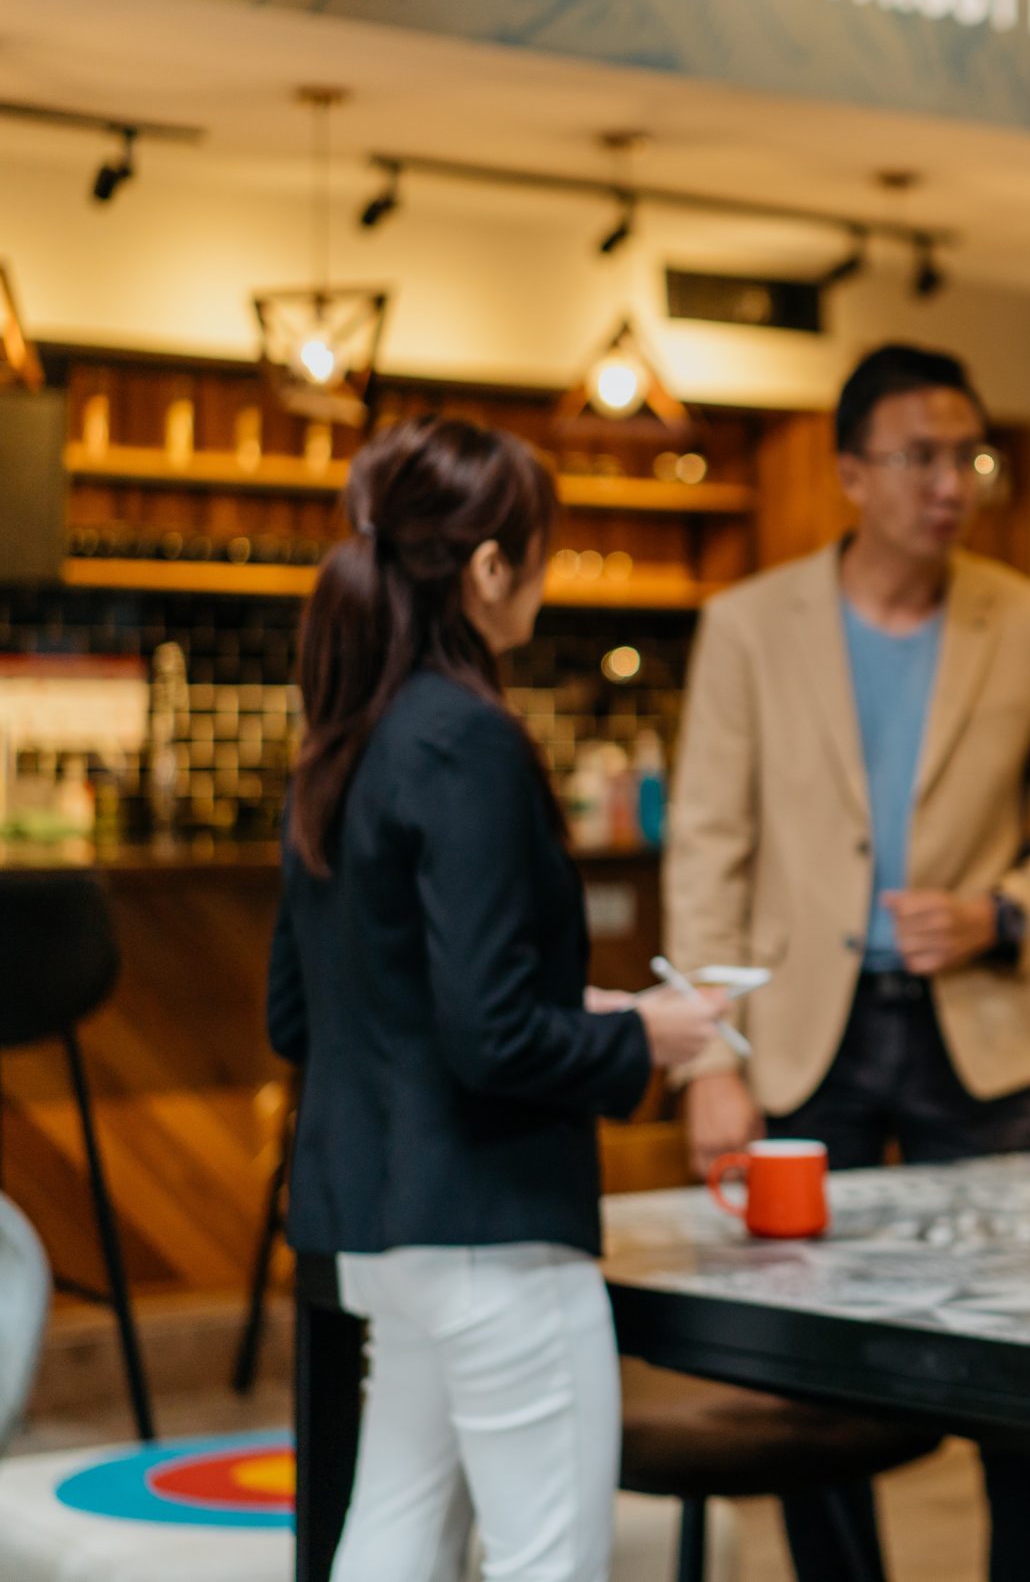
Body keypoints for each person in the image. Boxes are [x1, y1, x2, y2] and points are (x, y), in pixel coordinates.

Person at [664, 342, 1030, 1580]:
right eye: (919, 456)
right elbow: (704, 858)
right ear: (850, 475)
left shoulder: (1029, 624)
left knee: (1028, 1366)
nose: (951, 482)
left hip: (973, 1039)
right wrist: (707, 1058)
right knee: (805, 1371)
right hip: (796, 1044)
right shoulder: (745, 625)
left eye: (965, 456)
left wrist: (1006, 911)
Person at [266, 416, 725, 1582]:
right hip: (491, 1232)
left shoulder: (344, 738)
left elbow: (305, 1014)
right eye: (541, 552)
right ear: (485, 569)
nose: (543, 579)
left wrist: (573, 1010)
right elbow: (490, 1035)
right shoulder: (468, 740)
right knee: (548, 1560)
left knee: (394, 1535)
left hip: (375, 1230)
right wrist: (646, 1039)